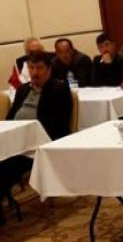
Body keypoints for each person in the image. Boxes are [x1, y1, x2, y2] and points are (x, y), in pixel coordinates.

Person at [1, 51, 72, 205]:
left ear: (49, 69)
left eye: (39, 68)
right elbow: (10, 117)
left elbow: (57, 124)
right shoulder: (23, 90)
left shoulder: (59, 89)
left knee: (6, 166)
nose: (34, 72)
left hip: (38, 143)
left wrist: (26, 133)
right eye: (31, 68)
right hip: (15, 140)